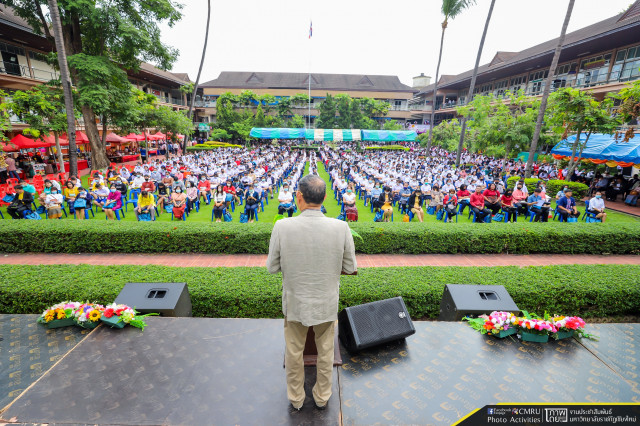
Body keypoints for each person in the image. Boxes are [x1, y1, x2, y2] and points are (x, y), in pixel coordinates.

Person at [266, 174, 357, 412]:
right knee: (326, 352)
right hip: (326, 303)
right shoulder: (341, 227)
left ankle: (296, 398)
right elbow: (350, 268)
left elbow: (272, 267)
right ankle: (322, 396)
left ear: (299, 197)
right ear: (325, 197)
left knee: (294, 352)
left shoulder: (282, 226)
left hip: (295, 303)